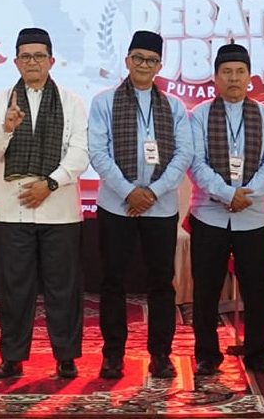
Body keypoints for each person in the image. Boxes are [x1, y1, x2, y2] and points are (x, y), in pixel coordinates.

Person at [0, 27, 91, 381]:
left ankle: (66, 356)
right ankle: (12, 357)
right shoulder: (0, 101)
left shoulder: (71, 101)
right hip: (12, 209)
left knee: (63, 288)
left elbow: (80, 152)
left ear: (51, 61)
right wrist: (6, 128)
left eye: (39, 56)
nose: (32, 62)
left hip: (60, 208)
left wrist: (51, 183)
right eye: (26, 56)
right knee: (15, 288)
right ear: (15, 62)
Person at [86, 30, 194, 380]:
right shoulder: (104, 101)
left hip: (160, 208)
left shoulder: (174, 106)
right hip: (116, 206)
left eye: (151, 60)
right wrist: (129, 192)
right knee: (112, 281)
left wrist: (153, 192)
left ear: (160, 65)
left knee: (161, 282)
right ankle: (112, 355)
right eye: (138, 58)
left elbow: (184, 154)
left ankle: (160, 355)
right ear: (127, 60)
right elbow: (98, 152)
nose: (144, 65)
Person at [186, 44, 264, 376]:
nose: (234, 78)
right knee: (206, 290)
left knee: (256, 290)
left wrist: (247, 194)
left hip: (254, 216)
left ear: (249, 77)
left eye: (240, 71)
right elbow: (196, 163)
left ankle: (258, 353)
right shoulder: (199, 115)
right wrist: (228, 193)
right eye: (226, 72)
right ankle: (206, 355)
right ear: (215, 77)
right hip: (209, 215)